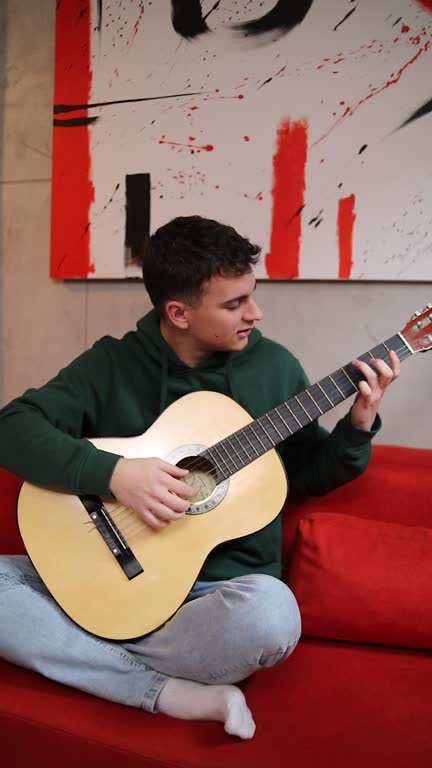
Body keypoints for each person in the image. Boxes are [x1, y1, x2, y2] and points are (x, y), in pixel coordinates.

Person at [0, 215, 399, 739]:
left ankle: (87, 647)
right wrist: (116, 474)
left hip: (218, 599)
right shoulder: (114, 364)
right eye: (234, 304)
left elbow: (306, 473)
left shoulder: (274, 369)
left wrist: (358, 425)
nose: (254, 313)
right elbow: (12, 428)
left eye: (251, 295)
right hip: (114, 570)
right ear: (178, 313)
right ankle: (164, 691)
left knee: (273, 617)